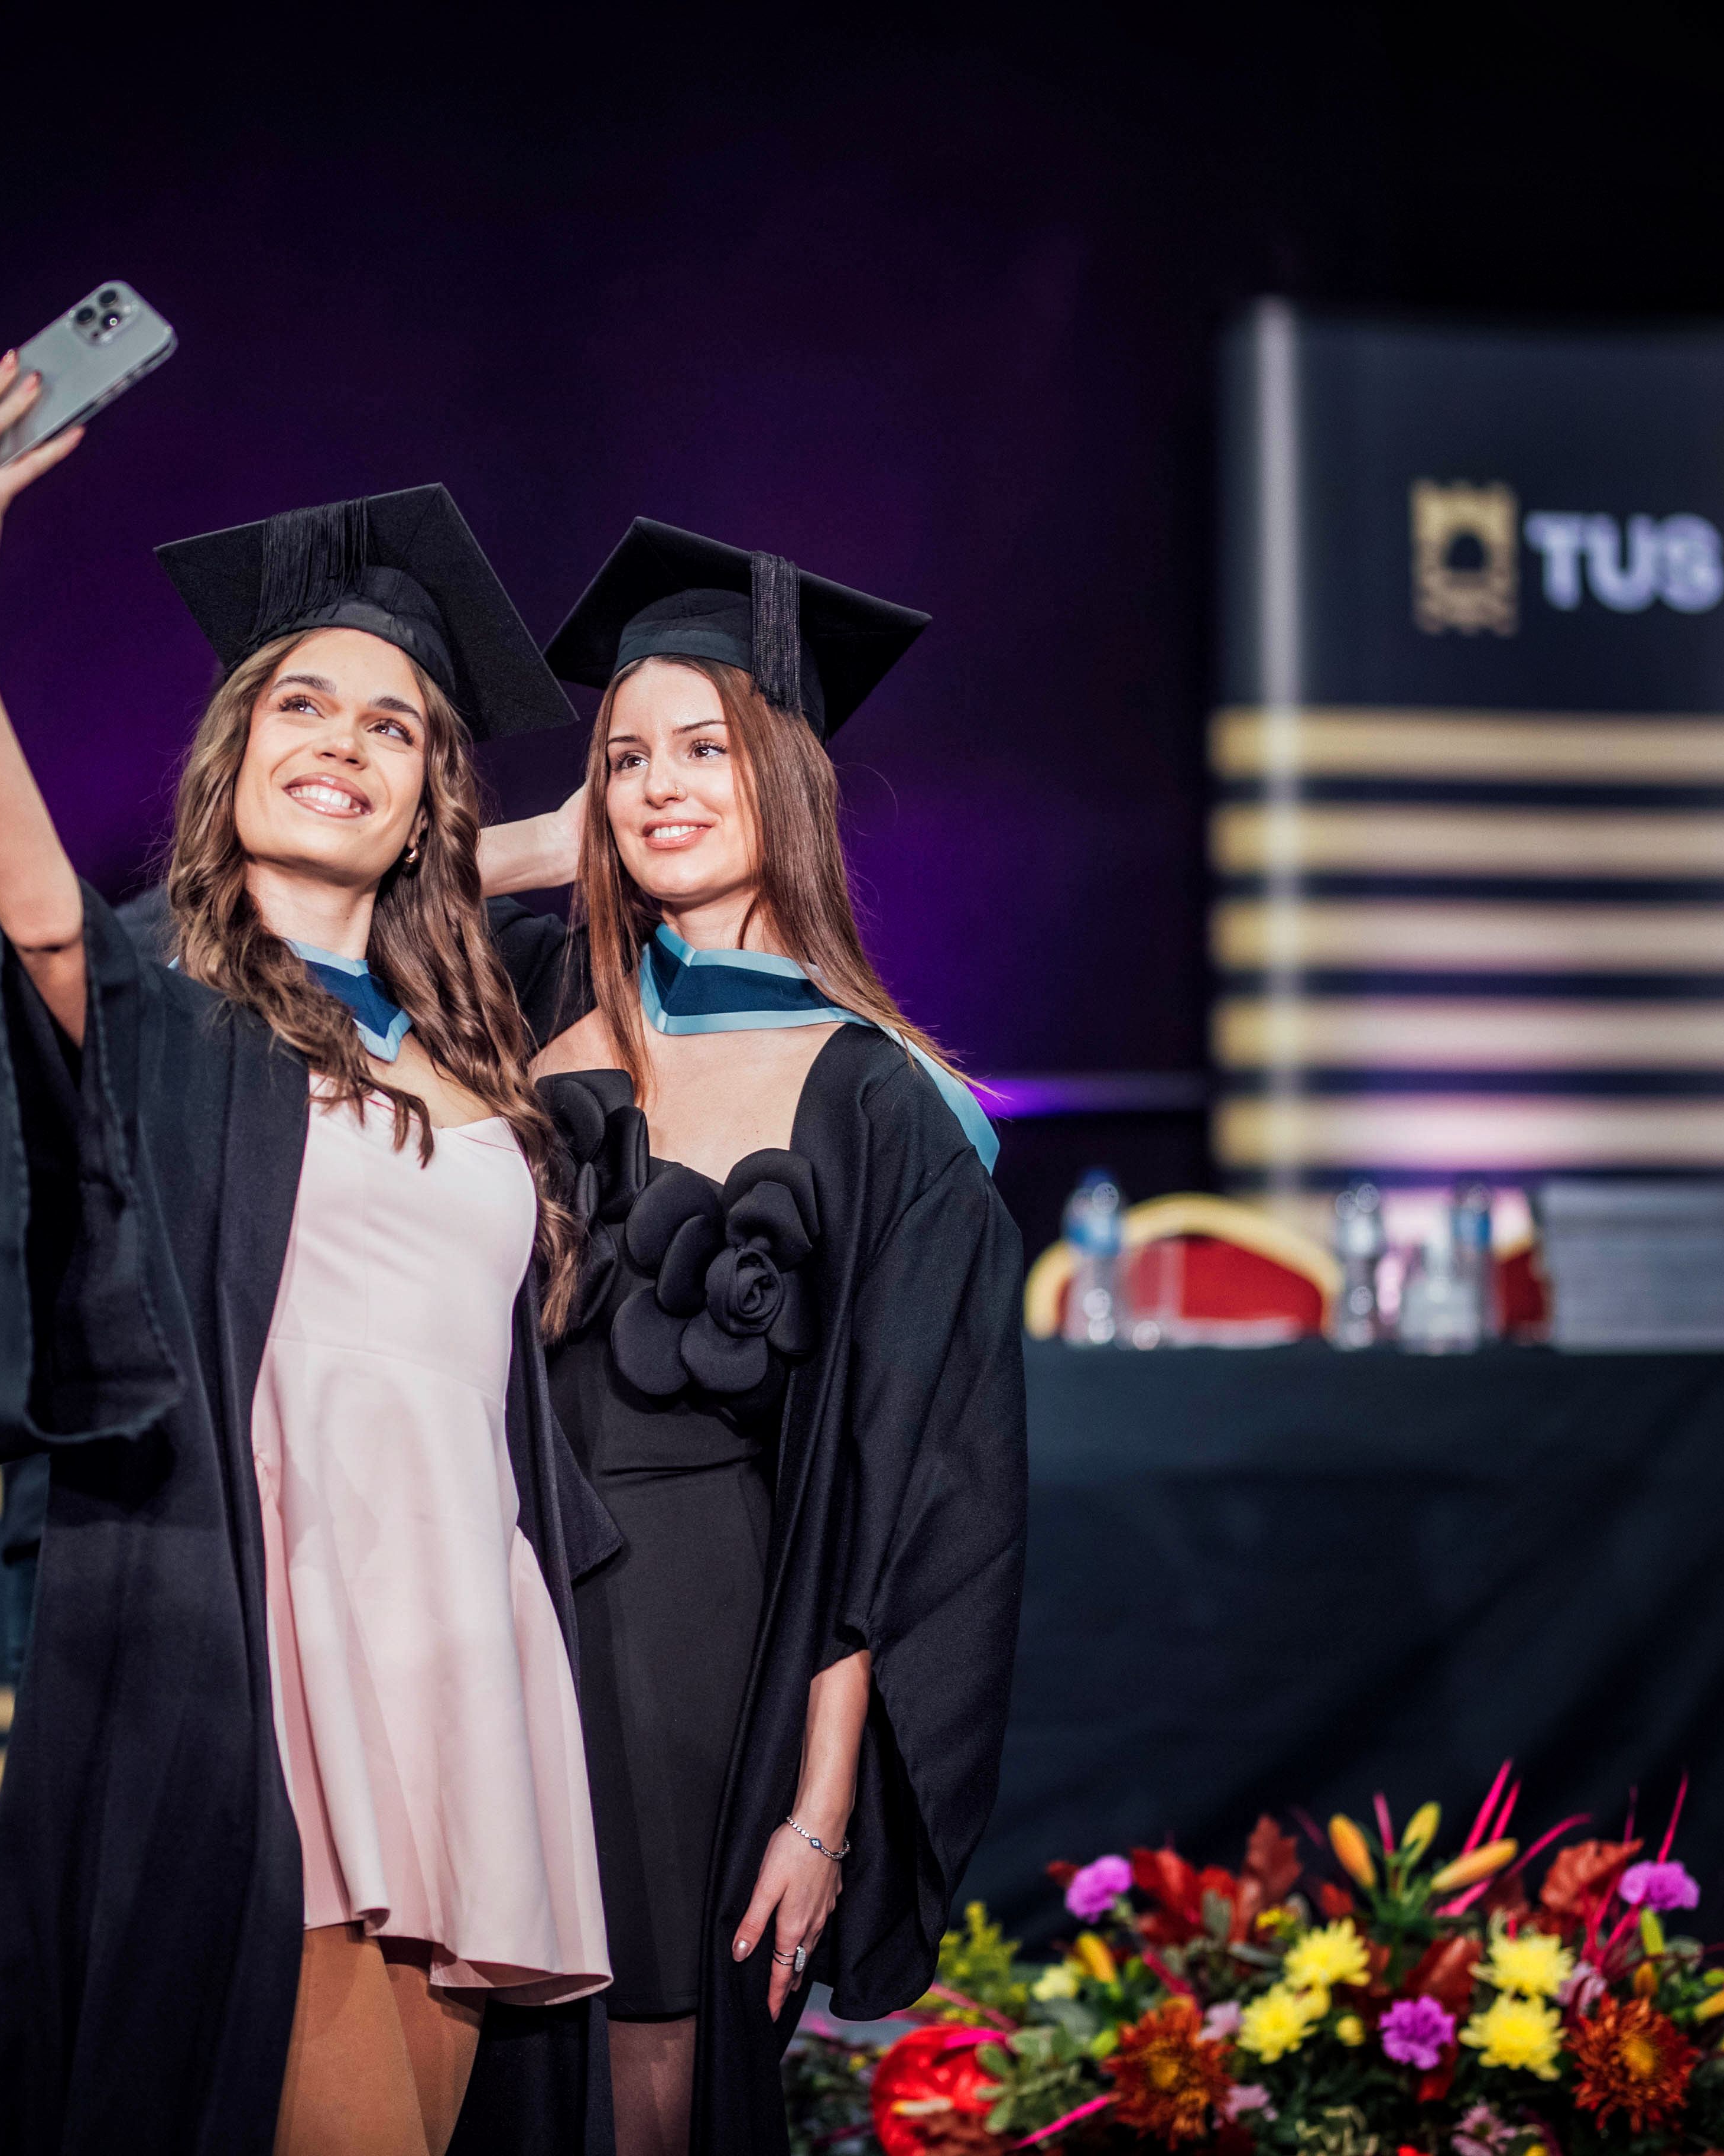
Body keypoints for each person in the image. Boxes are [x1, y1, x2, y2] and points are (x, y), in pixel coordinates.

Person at [0, 356, 618, 2156]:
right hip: (272, 1635)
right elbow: (40, 917)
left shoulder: (479, 1041)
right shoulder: (175, 1014)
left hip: (461, 1635)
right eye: (301, 703)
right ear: (232, 753)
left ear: (434, 793)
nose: (341, 742)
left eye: (392, 727)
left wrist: (527, 851)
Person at [486, 520, 1029, 2156]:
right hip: (473, 1597)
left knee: (648, 2067)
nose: (658, 786)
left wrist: (820, 1809)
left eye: (705, 748)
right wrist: (537, 848)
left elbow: (883, 1489)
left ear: (785, 777)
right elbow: (223, 941)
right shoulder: (522, 998)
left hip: (687, 1625)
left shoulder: (878, 1103)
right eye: (625, 756)